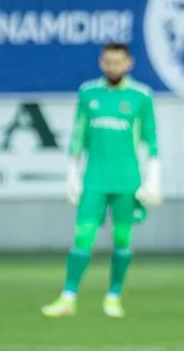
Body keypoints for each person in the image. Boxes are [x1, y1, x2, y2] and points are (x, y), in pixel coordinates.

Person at [42, 43, 161, 319]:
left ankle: (113, 297)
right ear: (101, 62)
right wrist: (72, 176)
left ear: (128, 63)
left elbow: (151, 141)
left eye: (118, 62)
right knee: (83, 236)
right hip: (93, 180)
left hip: (127, 182)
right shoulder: (88, 93)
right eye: (108, 62)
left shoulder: (140, 96)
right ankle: (68, 297)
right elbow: (78, 137)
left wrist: (153, 180)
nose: (113, 67)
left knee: (122, 239)